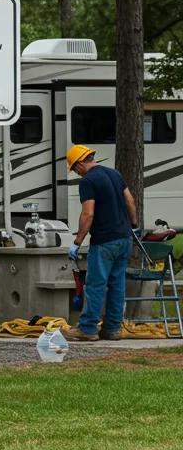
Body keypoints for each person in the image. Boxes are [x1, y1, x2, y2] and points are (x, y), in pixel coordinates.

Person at [65, 143, 138, 341]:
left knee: (95, 285)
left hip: (104, 241)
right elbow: (130, 201)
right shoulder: (115, 174)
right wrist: (134, 224)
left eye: (75, 170)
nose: (77, 173)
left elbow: (88, 214)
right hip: (124, 238)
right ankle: (112, 329)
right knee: (117, 285)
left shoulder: (88, 181)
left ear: (79, 164)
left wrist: (77, 242)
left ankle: (87, 328)